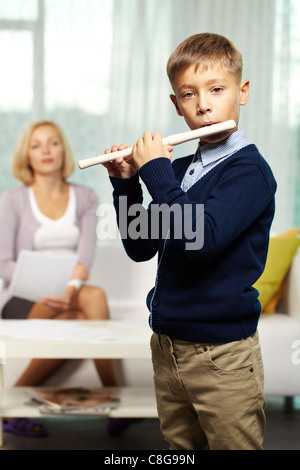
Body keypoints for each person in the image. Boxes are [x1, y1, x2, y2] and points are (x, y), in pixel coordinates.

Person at [102, 33, 277, 450]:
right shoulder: (179, 171)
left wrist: (157, 173)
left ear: (242, 92)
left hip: (223, 356)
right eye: (189, 94)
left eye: (217, 89)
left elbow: (204, 238)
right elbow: (141, 245)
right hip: (169, 348)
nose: (203, 104)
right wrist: (125, 185)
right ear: (176, 104)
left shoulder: (249, 171)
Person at [0, 120, 121, 437]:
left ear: (62, 149)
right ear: (27, 155)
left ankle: (116, 396)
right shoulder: (12, 199)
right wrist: (41, 287)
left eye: (52, 143)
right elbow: (4, 263)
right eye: (36, 145)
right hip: (24, 296)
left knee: (91, 297)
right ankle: (117, 400)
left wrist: (68, 290)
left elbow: (85, 258)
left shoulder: (85, 197)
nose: (45, 151)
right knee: (77, 317)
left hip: (70, 290)